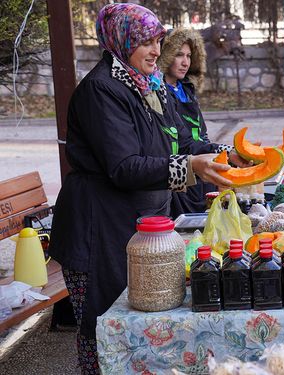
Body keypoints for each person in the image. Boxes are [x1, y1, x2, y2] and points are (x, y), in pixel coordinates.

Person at [48, 4, 231, 374]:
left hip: (139, 228)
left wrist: (226, 155)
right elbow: (123, 167)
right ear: (123, 41)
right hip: (97, 230)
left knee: (142, 327)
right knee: (102, 330)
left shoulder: (150, 84)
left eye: (158, 40)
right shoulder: (101, 89)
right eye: (146, 42)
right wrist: (190, 168)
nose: (156, 50)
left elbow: (178, 143)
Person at [158, 27, 247, 216]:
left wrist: (223, 155)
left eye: (189, 56)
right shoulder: (158, 94)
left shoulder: (187, 89)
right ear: (165, 56)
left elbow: (201, 135)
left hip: (205, 174)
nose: (185, 62)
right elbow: (184, 142)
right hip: (182, 180)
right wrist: (224, 151)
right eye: (178, 55)